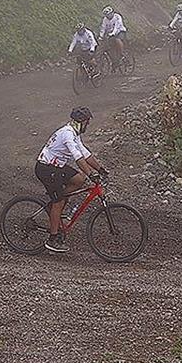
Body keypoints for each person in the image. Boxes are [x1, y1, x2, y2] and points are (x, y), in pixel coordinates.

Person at [36, 107, 107, 253]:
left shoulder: (74, 133)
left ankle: (57, 202)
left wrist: (100, 169)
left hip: (57, 166)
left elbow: (85, 154)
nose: (88, 125)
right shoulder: (67, 134)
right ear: (82, 122)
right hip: (46, 168)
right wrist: (90, 173)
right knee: (59, 201)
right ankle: (53, 239)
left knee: (79, 180)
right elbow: (78, 157)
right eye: (87, 122)